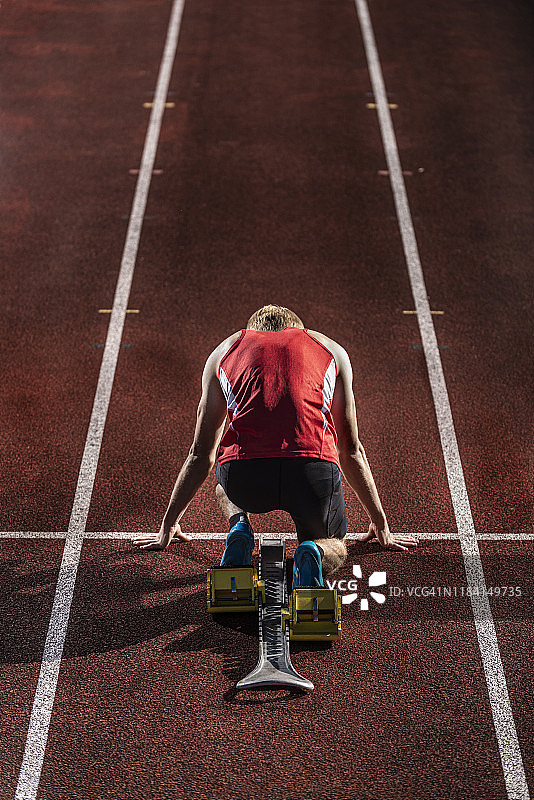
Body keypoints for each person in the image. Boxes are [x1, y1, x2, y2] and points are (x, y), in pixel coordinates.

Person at [133, 305, 417, 586]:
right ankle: (314, 551)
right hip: (312, 473)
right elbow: (351, 450)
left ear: (254, 330)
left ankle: (239, 528)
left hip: (245, 477)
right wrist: (381, 525)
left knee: (221, 483)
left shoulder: (224, 352)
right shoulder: (331, 350)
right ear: (298, 329)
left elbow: (200, 455)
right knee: (336, 546)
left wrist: (168, 526)